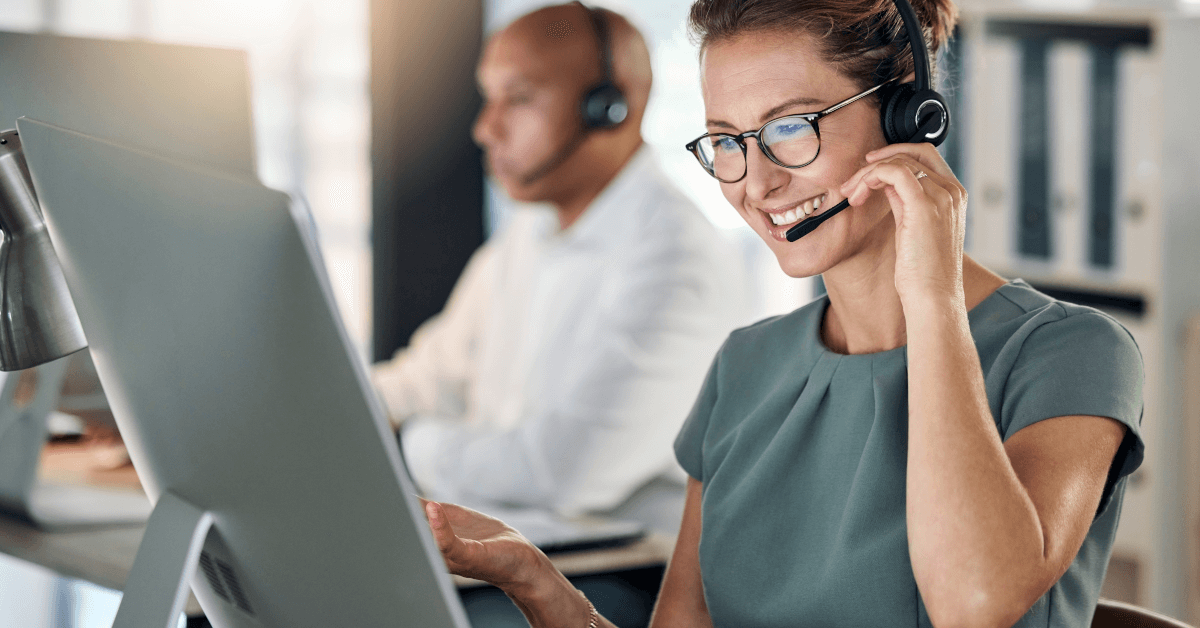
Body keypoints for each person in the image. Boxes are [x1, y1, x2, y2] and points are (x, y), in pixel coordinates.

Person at [417, 0, 1146, 626]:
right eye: (727, 141)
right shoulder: (747, 367)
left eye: (792, 128)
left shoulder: (1069, 352)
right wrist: (531, 576)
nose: (756, 182)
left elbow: (974, 603)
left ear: (909, 118)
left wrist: (931, 294)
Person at [372, 3, 748, 523]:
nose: (486, 128)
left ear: (610, 107)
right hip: (509, 537)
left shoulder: (677, 260)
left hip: (621, 577)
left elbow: (562, 474)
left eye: (519, 99)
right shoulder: (528, 236)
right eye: (489, 99)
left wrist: (413, 441)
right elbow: (425, 379)